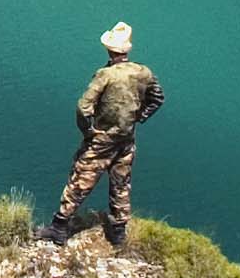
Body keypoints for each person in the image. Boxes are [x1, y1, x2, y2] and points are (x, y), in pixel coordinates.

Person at [41, 21, 162, 247]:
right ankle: (118, 234)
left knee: (81, 179)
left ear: (109, 49)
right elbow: (157, 98)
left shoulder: (105, 75)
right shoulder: (143, 73)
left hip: (102, 140)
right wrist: (139, 116)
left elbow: (83, 107)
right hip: (126, 139)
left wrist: (87, 131)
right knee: (121, 183)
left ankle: (59, 227)